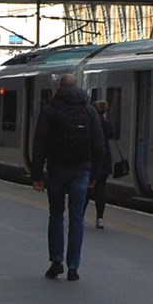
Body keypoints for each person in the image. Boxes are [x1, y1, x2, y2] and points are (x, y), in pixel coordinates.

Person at [29, 75, 108, 281]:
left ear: (59, 88)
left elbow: (39, 144)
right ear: (78, 88)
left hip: (57, 169)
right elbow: (99, 147)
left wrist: (37, 175)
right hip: (82, 171)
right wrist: (95, 176)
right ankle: (73, 267)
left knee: (56, 214)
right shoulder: (90, 111)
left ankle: (56, 261)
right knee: (77, 218)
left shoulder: (50, 110)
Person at [88, 100, 117, 228]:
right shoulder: (107, 124)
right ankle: (100, 218)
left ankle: (79, 216)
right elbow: (112, 135)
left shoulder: (91, 124)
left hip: (92, 160)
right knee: (101, 190)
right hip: (105, 161)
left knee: (87, 190)